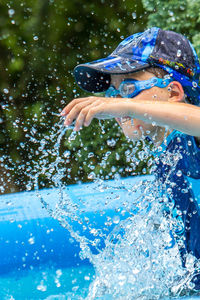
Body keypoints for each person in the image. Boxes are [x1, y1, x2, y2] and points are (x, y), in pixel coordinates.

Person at [61, 27, 200, 289]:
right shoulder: (165, 154)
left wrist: (128, 105)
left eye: (127, 87)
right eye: (112, 94)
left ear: (173, 93)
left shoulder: (191, 141)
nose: (114, 102)